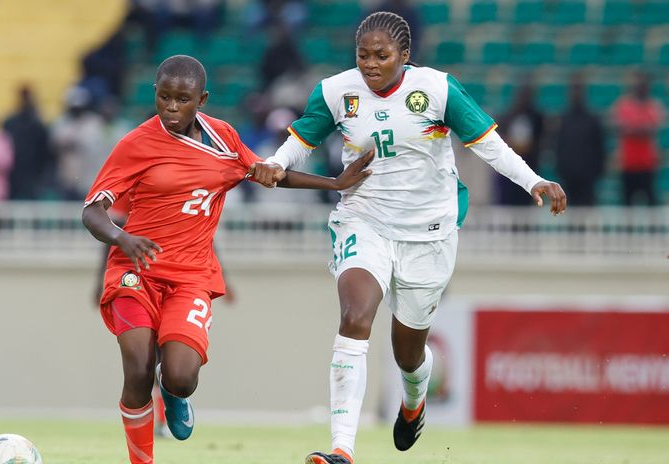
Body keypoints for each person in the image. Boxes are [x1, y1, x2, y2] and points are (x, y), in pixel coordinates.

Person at [249, 12, 567, 464]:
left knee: (408, 352)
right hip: (364, 218)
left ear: (405, 56)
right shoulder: (336, 91)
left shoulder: (437, 89)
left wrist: (534, 181)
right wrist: (277, 162)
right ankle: (342, 448)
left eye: (382, 55)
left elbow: (488, 145)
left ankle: (414, 400)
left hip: (429, 230)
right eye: (363, 55)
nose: (371, 64)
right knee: (355, 316)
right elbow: (302, 140)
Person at [81, 55, 373, 464]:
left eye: (181, 99)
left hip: (191, 278)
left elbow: (268, 173)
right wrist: (121, 237)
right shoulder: (136, 144)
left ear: (201, 99)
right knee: (138, 368)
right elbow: (92, 211)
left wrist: (333, 183)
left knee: (181, 377)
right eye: (163, 97)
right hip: (136, 271)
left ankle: (173, 390)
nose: (170, 107)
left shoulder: (223, 139)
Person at [612, 71, 665, 206]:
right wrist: (640, 128)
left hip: (647, 165)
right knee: (626, 206)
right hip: (628, 165)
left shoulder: (654, 106)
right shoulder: (624, 105)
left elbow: (651, 130)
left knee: (652, 205)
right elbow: (621, 128)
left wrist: (634, 128)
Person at [555, 73, 606, 206]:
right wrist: (561, 168)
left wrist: (597, 171)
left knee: (586, 210)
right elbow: (559, 146)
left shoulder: (592, 119)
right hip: (568, 174)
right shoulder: (564, 119)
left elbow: (599, 146)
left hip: (588, 176)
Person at [495, 81, 545, 206]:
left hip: (529, 169)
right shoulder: (507, 116)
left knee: (525, 207)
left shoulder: (537, 118)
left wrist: (527, 147)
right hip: (508, 172)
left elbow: (541, 143)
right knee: (507, 208)